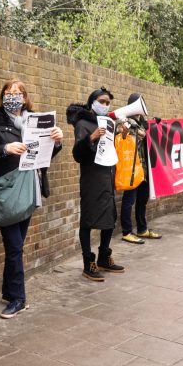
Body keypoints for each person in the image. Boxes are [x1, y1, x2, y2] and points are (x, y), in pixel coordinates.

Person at [0, 80, 63, 318]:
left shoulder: (37, 121)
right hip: (7, 189)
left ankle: (9, 292)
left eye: (18, 93)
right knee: (14, 245)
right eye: (9, 93)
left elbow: (46, 155)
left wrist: (57, 140)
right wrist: (5, 149)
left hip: (29, 188)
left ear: (25, 98)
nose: (13, 97)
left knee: (15, 247)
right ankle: (19, 298)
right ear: (2, 96)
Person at [66, 87, 125, 282]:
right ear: (92, 102)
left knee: (109, 217)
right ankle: (87, 263)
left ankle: (103, 257)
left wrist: (121, 134)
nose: (105, 105)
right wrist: (91, 138)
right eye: (102, 101)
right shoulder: (83, 124)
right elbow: (77, 154)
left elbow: (107, 149)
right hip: (91, 178)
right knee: (89, 220)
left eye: (108, 102)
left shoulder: (108, 122)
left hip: (106, 176)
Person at [119, 93, 161, 244]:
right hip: (132, 170)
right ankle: (126, 231)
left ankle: (142, 229)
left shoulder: (142, 122)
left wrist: (155, 125)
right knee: (129, 200)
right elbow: (122, 140)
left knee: (142, 200)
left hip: (143, 169)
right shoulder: (125, 122)